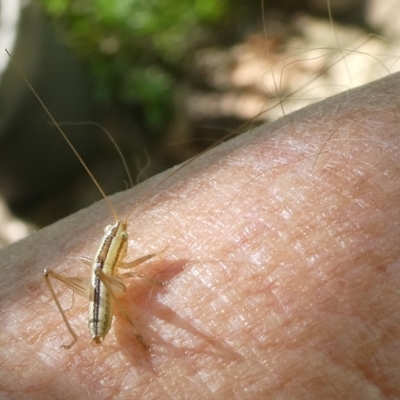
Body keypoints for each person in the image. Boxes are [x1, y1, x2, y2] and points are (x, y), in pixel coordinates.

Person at [1, 72, 399, 399]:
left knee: (105, 273)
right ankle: (103, 335)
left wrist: (134, 271)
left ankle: (91, 331)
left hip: (103, 286)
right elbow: (116, 275)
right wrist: (137, 277)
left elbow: (120, 269)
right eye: (119, 232)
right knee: (95, 275)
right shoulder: (111, 256)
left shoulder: (113, 247)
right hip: (103, 301)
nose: (122, 234)